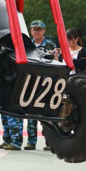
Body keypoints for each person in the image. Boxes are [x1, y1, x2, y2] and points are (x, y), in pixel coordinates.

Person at [25, 19, 56, 151]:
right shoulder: (28, 44)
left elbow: (55, 61)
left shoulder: (50, 45)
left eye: (39, 29)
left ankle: (49, 141)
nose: (37, 32)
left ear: (44, 30)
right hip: (31, 81)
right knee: (30, 113)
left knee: (47, 114)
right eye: (34, 29)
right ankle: (31, 142)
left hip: (46, 81)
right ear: (31, 31)